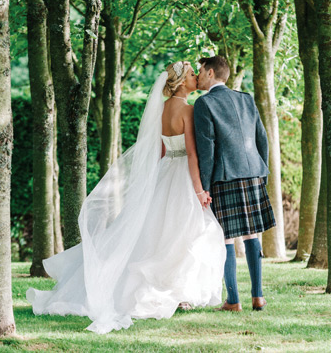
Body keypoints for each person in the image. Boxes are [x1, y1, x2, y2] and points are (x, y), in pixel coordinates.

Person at [27, 61, 226, 334]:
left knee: (162, 234)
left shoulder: (162, 111)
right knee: (186, 233)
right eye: (192, 75)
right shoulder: (188, 111)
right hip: (181, 176)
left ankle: (177, 291)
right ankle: (177, 292)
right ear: (181, 83)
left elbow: (159, 152)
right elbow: (191, 154)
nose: (196, 78)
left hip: (165, 173)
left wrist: (151, 184)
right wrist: (200, 190)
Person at [194, 55, 276, 312]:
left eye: (200, 71)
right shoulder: (246, 98)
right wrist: (262, 170)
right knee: (252, 233)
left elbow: (206, 149)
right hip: (253, 173)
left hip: (224, 176)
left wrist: (204, 186)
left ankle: (233, 301)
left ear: (210, 73)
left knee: (226, 238)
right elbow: (262, 138)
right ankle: (258, 297)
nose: (197, 76)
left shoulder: (204, 103)